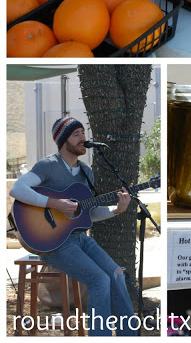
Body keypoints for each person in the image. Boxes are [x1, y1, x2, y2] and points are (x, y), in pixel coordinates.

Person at [10, 116, 136, 337]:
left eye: (83, 133)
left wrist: (117, 210)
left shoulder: (86, 172)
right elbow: (17, 189)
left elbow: (87, 214)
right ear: (63, 140)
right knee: (99, 280)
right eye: (76, 134)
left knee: (116, 273)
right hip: (54, 243)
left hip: (80, 238)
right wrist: (54, 203)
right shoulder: (48, 165)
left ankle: (129, 336)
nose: (83, 138)